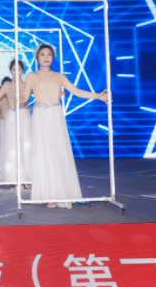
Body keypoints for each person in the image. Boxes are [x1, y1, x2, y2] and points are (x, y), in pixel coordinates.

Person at [21, 44, 109, 208]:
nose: (46, 57)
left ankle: (59, 192)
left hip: (55, 115)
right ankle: (48, 194)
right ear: (37, 58)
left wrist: (98, 96)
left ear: (53, 57)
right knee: (43, 153)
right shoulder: (31, 76)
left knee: (58, 151)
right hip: (40, 116)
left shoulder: (59, 76)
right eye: (42, 54)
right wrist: (19, 99)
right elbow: (25, 96)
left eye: (49, 54)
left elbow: (77, 92)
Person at [0, 60, 33, 188]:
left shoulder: (28, 84)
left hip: (25, 115)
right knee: (14, 148)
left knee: (26, 147)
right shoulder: (7, 86)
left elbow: (40, 93)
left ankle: (28, 178)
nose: (16, 72)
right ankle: (17, 179)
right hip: (12, 116)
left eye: (19, 69)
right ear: (11, 71)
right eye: (14, 69)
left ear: (23, 70)